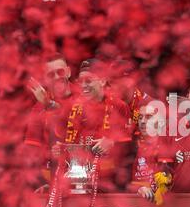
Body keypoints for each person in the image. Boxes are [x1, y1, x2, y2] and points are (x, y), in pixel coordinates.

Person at [53, 58, 133, 192]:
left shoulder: (119, 106)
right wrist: (59, 148)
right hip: (78, 181)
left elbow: (129, 147)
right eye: (81, 81)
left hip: (111, 183)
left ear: (102, 80)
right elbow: (61, 140)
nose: (83, 85)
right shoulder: (71, 107)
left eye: (88, 80)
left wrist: (111, 142)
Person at [23, 53, 75, 188]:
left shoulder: (84, 97)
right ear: (45, 79)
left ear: (68, 72)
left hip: (82, 177)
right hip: (50, 180)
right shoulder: (38, 108)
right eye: (51, 75)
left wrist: (50, 105)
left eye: (60, 72)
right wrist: (43, 183)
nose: (57, 77)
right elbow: (32, 151)